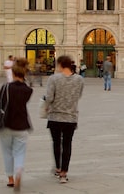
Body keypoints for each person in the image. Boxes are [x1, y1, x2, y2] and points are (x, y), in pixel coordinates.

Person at [45, 55, 84, 184]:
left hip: (55, 116)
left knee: (56, 143)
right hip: (71, 116)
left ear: (60, 65)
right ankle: (64, 173)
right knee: (67, 144)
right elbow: (79, 96)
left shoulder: (53, 79)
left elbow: (49, 98)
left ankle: (57, 167)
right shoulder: (79, 80)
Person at [0, 58, 33, 191]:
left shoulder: (6, 87)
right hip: (22, 124)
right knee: (20, 152)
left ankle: (10, 178)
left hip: (5, 124)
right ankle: (18, 171)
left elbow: (0, 102)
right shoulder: (28, 90)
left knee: (7, 152)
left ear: (13, 73)